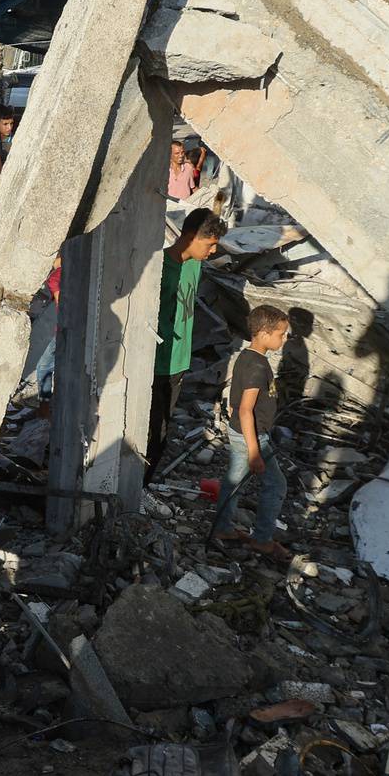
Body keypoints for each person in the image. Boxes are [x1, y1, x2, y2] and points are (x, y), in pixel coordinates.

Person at [146, 208, 228, 481]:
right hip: (155, 365)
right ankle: (135, 489)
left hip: (178, 363)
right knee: (150, 432)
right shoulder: (158, 269)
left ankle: (142, 487)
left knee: (163, 432)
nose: (213, 251)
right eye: (210, 244)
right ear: (191, 237)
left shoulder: (194, 264)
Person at [208, 303, 293, 558]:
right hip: (252, 437)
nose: (284, 338)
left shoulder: (247, 357)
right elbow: (246, 410)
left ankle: (222, 528)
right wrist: (255, 451)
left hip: (239, 433)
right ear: (264, 333)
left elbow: (236, 401)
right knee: (277, 485)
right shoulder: (257, 367)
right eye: (281, 333)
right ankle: (263, 539)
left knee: (234, 481)